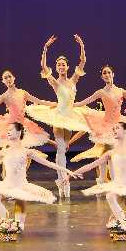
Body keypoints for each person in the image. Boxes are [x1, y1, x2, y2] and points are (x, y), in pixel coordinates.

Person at [0, 123, 81, 232]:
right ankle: (5, 221)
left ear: (19, 133)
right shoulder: (4, 152)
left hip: (20, 184)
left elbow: (48, 164)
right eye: (7, 130)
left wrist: (67, 171)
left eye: (11, 130)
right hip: (8, 183)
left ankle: (19, 224)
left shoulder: (27, 152)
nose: (8, 132)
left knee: (20, 198)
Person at [27, 34, 92, 199]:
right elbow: (43, 66)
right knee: (61, 149)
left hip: (70, 117)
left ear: (67, 67)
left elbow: (83, 61)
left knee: (65, 148)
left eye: (63, 64)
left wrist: (82, 45)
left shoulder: (73, 80)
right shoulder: (54, 82)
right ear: (56, 68)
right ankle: (63, 181)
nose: (61, 66)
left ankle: (61, 180)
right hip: (58, 117)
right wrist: (45, 48)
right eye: (59, 65)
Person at [0, 70, 54, 147]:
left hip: (22, 123)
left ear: (14, 78)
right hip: (11, 125)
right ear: (3, 81)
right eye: (5, 78)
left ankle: (54, 144)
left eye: (9, 76)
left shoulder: (22, 93)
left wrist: (53, 104)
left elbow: (39, 101)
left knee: (26, 146)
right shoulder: (4, 96)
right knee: (11, 148)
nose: (8, 79)